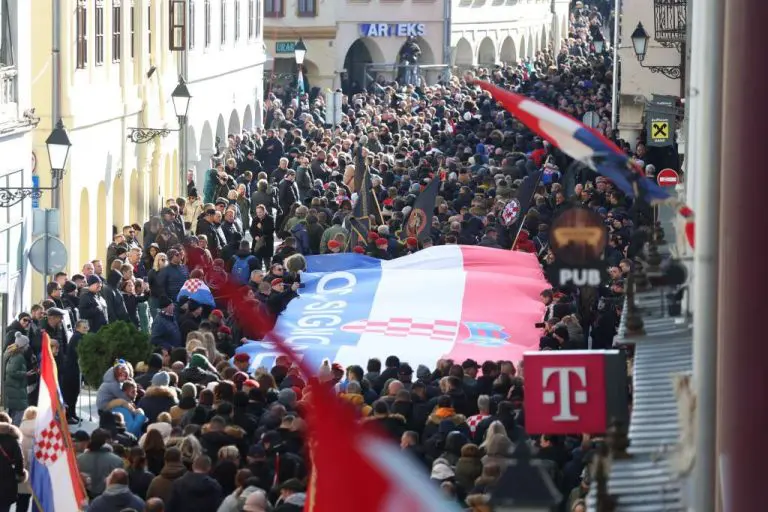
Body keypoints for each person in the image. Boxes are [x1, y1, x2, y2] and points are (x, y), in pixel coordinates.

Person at [77, 429, 125, 498]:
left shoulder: (79, 459)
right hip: (107, 501)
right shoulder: (117, 461)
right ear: (108, 442)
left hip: (83, 500)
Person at [3, 333, 33, 425]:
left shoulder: (13, 353)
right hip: (17, 389)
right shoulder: (18, 357)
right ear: (22, 346)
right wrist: (25, 373)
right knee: (19, 414)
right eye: (27, 344)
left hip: (14, 388)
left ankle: (10, 433)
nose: (28, 346)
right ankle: (15, 434)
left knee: (13, 413)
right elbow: (11, 371)